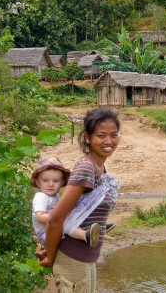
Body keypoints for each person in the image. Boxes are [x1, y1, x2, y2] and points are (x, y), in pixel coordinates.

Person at [35, 107, 120, 292]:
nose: (108, 141)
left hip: (87, 258)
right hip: (72, 258)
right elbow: (56, 219)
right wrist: (49, 256)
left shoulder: (100, 169)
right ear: (88, 138)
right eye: (101, 135)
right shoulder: (86, 169)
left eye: (113, 135)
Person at [31, 157, 101, 248]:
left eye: (55, 181)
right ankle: (86, 236)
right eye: (45, 180)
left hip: (55, 228)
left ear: (62, 182)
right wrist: (60, 217)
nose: (51, 184)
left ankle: (95, 231)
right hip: (47, 235)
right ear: (37, 182)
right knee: (68, 225)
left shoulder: (55, 196)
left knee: (75, 211)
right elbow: (40, 217)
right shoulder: (40, 197)